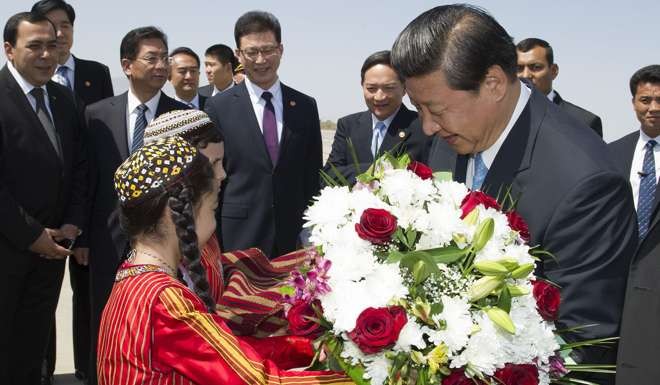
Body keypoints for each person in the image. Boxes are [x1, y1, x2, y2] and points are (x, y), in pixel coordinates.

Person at [391, 4, 637, 377]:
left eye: (435, 108)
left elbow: (583, 353)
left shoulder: (586, 184)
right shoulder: (449, 135)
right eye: (417, 107)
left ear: (493, 83)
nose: (426, 127)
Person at [98, 135, 353, 385]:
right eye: (212, 206)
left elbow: (228, 353)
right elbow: (258, 380)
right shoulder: (166, 302)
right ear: (174, 214)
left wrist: (308, 347)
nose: (214, 217)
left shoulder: (131, 277)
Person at [143, 109, 312, 336]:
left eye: (222, 162)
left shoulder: (202, 230)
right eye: (213, 164)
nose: (222, 174)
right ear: (178, 174)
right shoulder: (160, 283)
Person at [84, 25, 188, 385]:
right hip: (106, 242)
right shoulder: (95, 115)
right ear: (127, 65)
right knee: (105, 323)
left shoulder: (182, 118)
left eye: (165, 58)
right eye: (152, 58)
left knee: (157, 329)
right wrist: (83, 237)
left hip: (164, 244)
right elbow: (88, 181)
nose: (162, 65)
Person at [0, 11, 87, 385]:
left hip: (53, 253)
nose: (46, 55)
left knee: (33, 352)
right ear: (9, 49)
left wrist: (72, 222)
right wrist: (32, 235)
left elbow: (81, 168)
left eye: (52, 46)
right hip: (8, 251)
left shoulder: (64, 100)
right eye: (34, 46)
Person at [30, 0, 114, 381]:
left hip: (84, 209)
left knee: (88, 295)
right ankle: (42, 368)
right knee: (39, 300)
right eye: (50, 26)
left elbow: (102, 141)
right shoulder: (29, 79)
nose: (59, 33)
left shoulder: (95, 73)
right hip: (40, 214)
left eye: (65, 25)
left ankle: (89, 366)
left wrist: (84, 215)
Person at [205, 11, 322, 258]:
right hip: (238, 239)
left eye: (268, 50)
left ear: (280, 49)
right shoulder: (219, 108)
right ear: (238, 54)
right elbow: (211, 179)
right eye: (251, 52)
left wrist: (312, 234)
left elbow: (311, 177)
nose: (260, 60)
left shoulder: (305, 106)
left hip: (293, 240)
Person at [609, 64, 660, 385]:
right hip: (617, 287)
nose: (653, 108)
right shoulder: (612, 154)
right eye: (645, 100)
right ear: (633, 103)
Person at [324, 50, 430, 182]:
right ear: (362, 86)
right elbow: (329, 174)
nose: (379, 97)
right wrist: (380, 170)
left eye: (389, 88)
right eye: (371, 88)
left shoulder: (423, 127)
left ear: (404, 88)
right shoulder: (347, 125)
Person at [516, 37, 603, 137]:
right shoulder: (502, 118)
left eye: (536, 67)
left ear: (553, 71)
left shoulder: (584, 123)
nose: (526, 75)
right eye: (519, 68)